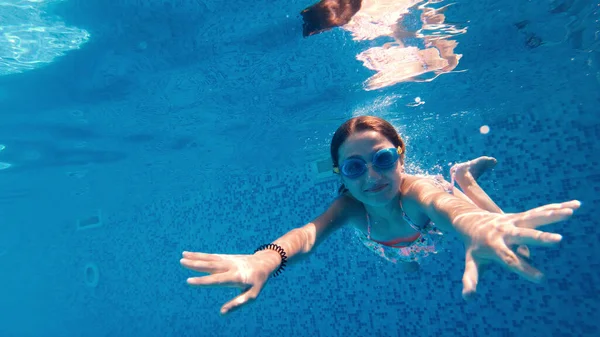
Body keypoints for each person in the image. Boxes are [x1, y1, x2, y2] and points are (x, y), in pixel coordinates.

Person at [180, 116, 581, 315]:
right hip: (395, 247)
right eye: (354, 168)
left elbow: (452, 211)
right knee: (407, 267)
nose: (372, 177)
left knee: (503, 237)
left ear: (400, 155)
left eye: (383, 160)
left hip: (430, 227)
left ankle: (464, 178)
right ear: (340, 174)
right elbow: (306, 235)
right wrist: (263, 259)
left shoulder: (418, 191)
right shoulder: (350, 207)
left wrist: (477, 224)